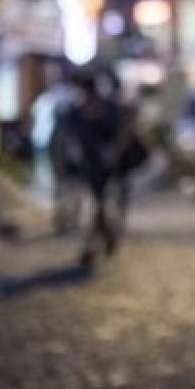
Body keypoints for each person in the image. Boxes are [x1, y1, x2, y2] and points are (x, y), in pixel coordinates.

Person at [62, 71, 126, 268]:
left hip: (108, 167)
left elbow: (121, 133)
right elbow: (69, 138)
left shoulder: (108, 110)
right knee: (95, 207)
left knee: (100, 206)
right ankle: (103, 240)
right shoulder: (75, 113)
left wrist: (114, 153)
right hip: (87, 166)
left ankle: (93, 246)